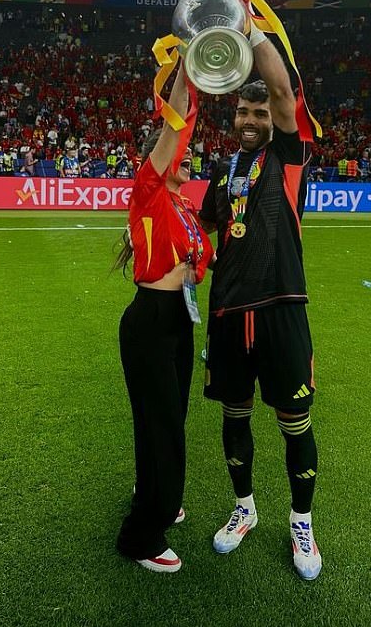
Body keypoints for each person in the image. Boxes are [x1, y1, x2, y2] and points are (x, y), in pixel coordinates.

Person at [198, 0, 322, 581]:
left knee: (294, 422)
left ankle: (301, 522)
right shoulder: (223, 178)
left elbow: (278, 81)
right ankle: (243, 509)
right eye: (243, 110)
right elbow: (205, 241)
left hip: (282, 310)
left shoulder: (288, 158)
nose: (251, 117)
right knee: (235, 417)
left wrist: (242, 25)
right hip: (229, 317)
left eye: (260, 111)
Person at [114, 64, 214, 574]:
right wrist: (192, 68)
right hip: (151, 322)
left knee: (169, 422)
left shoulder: (183, 206)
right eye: (183, 152)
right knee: (163, 430)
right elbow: (176, 124)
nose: (189, 157)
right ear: (161, 157)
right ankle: (140, 534)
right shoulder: (149, 191)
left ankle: (157, 495)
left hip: (180, 320)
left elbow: (205, 261)